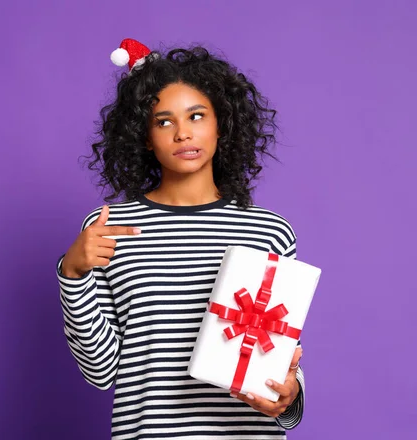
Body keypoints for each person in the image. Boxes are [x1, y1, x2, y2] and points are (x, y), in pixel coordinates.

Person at [56, 38, 305, 439]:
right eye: (164, 121)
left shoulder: (268, 231)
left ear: (221, 124)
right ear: (143, 134)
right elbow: (101, 371)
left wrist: (288, 395)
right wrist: (72, 273)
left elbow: (275, 354)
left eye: (196, 116)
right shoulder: (108, 229)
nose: (183, 134)